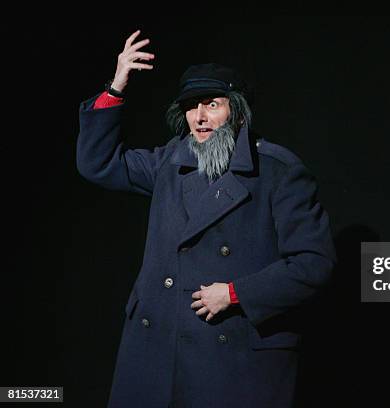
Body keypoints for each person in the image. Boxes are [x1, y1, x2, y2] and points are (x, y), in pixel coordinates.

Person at [76, 29, 336, 408]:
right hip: (157, 351)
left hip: (230, 359)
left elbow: (314, 264)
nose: (199, 117)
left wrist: (234, 293)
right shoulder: (170, 161)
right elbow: (97, 164)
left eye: (212, 105)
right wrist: (116, 87)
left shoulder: (277, 171)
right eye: (191, 106)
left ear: (237, 110)